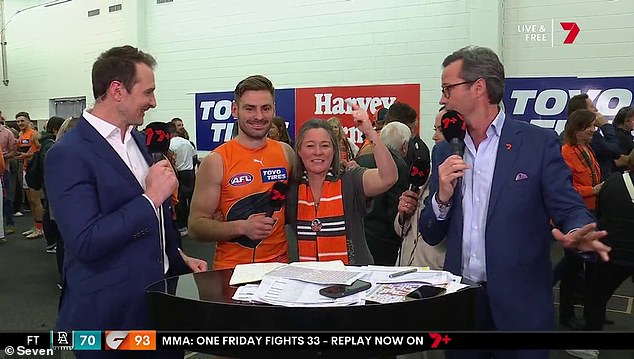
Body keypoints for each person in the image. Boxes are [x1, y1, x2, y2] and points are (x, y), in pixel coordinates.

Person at [419, 46, 609, 358]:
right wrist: (442, 197)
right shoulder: (444, 151)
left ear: (478, 87)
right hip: (462, 304)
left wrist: (577, 229)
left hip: (521, 307)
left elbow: (568, 205)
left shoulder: (537, 143)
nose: (443, 99)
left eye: (447, 89)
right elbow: (431, 233)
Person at [45, 45, 206, 358]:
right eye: (148, 92)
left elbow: (151, 220)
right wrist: (150, 198)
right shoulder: (67, 154)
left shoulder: (135, 138)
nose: (154, 102)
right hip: (109, 318)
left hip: (159, 307)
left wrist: (175, 254)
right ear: (117, 91)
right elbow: (86, 241)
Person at [189, 75, 295, 269]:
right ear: (235, 110)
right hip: (232, 272)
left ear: (274, 109)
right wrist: (241, 227)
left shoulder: (286, 153)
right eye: (250, 108)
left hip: (279, 269)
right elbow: (195, 227)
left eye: (265, 108)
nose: (259, 116)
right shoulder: (217, 161)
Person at [286, 107, 398, 264]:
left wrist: (370, 132)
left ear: (334, 150)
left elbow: (388, 178)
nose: (318, 152)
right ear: (299, 150)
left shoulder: (350, 179)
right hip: (306, 280)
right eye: (310, 146)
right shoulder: (291, 186)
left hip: (351, 281)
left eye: (325, 145)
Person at [559, 109, 603, 331]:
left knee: (577, 266)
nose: (593, 131)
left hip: (592, 213)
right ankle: (566, 314)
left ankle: (590, 311)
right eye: (589, 127)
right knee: (572, 268)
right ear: (577, 129)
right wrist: (592, 190)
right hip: (576, 217)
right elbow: (567, 188)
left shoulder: (587, 149)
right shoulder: (566, 152)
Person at [396, 107, 447, 269]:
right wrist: (403, 214)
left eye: (441, 130)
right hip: (405, 269)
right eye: (434, 129)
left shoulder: (465, 182)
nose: (434, 136)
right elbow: (401, 230)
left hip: (435, 275)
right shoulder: (426, 174)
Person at [356, 121, 410, 265]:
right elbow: (394, 209)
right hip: (384, 242)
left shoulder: (361, 160)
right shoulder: (399, 166)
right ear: (404, 146)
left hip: (360, 237)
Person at [15, 112, 44, 239]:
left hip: (33, 169)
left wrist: (26, 155)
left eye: (22, 121)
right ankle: (35, 225)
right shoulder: (21, 134)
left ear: (28, 121)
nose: (20, 123)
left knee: (36, 200)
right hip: (25, 168)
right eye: (18, 121)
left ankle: (41, 228)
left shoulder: (34, 134)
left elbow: (40, 151)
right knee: (31, 201)